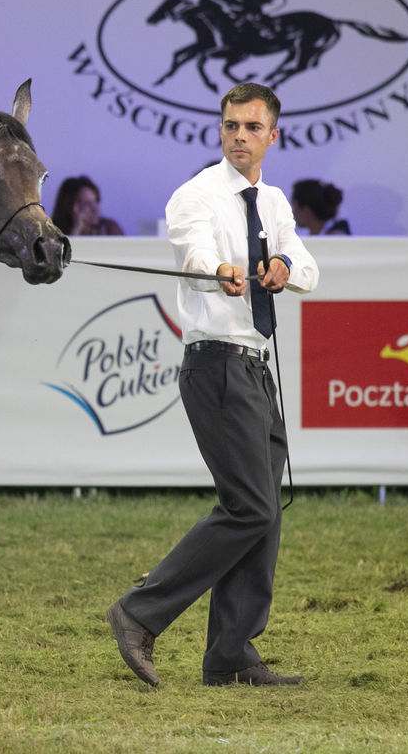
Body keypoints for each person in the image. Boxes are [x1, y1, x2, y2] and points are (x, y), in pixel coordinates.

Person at [106, 82, 319, 688]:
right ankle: (138, 613)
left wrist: (282, 268)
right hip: (216, 362)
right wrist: (221, 270)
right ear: (220, 130)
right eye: (231, 126)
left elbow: (305, 266)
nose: (239, 137)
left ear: (272, 135)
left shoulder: (273, 203)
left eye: (252, 127)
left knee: (264, 510)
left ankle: (231, 653)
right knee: (250, 505)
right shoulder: (195, 195)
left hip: (254, 364)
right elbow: (194, 254)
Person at [50, 175, 124, 236]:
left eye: (96, 201)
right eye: (87, 203)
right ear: (70, 207)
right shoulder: (51, 232)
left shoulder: (109, 228)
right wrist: (76, 230)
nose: (95, 209)